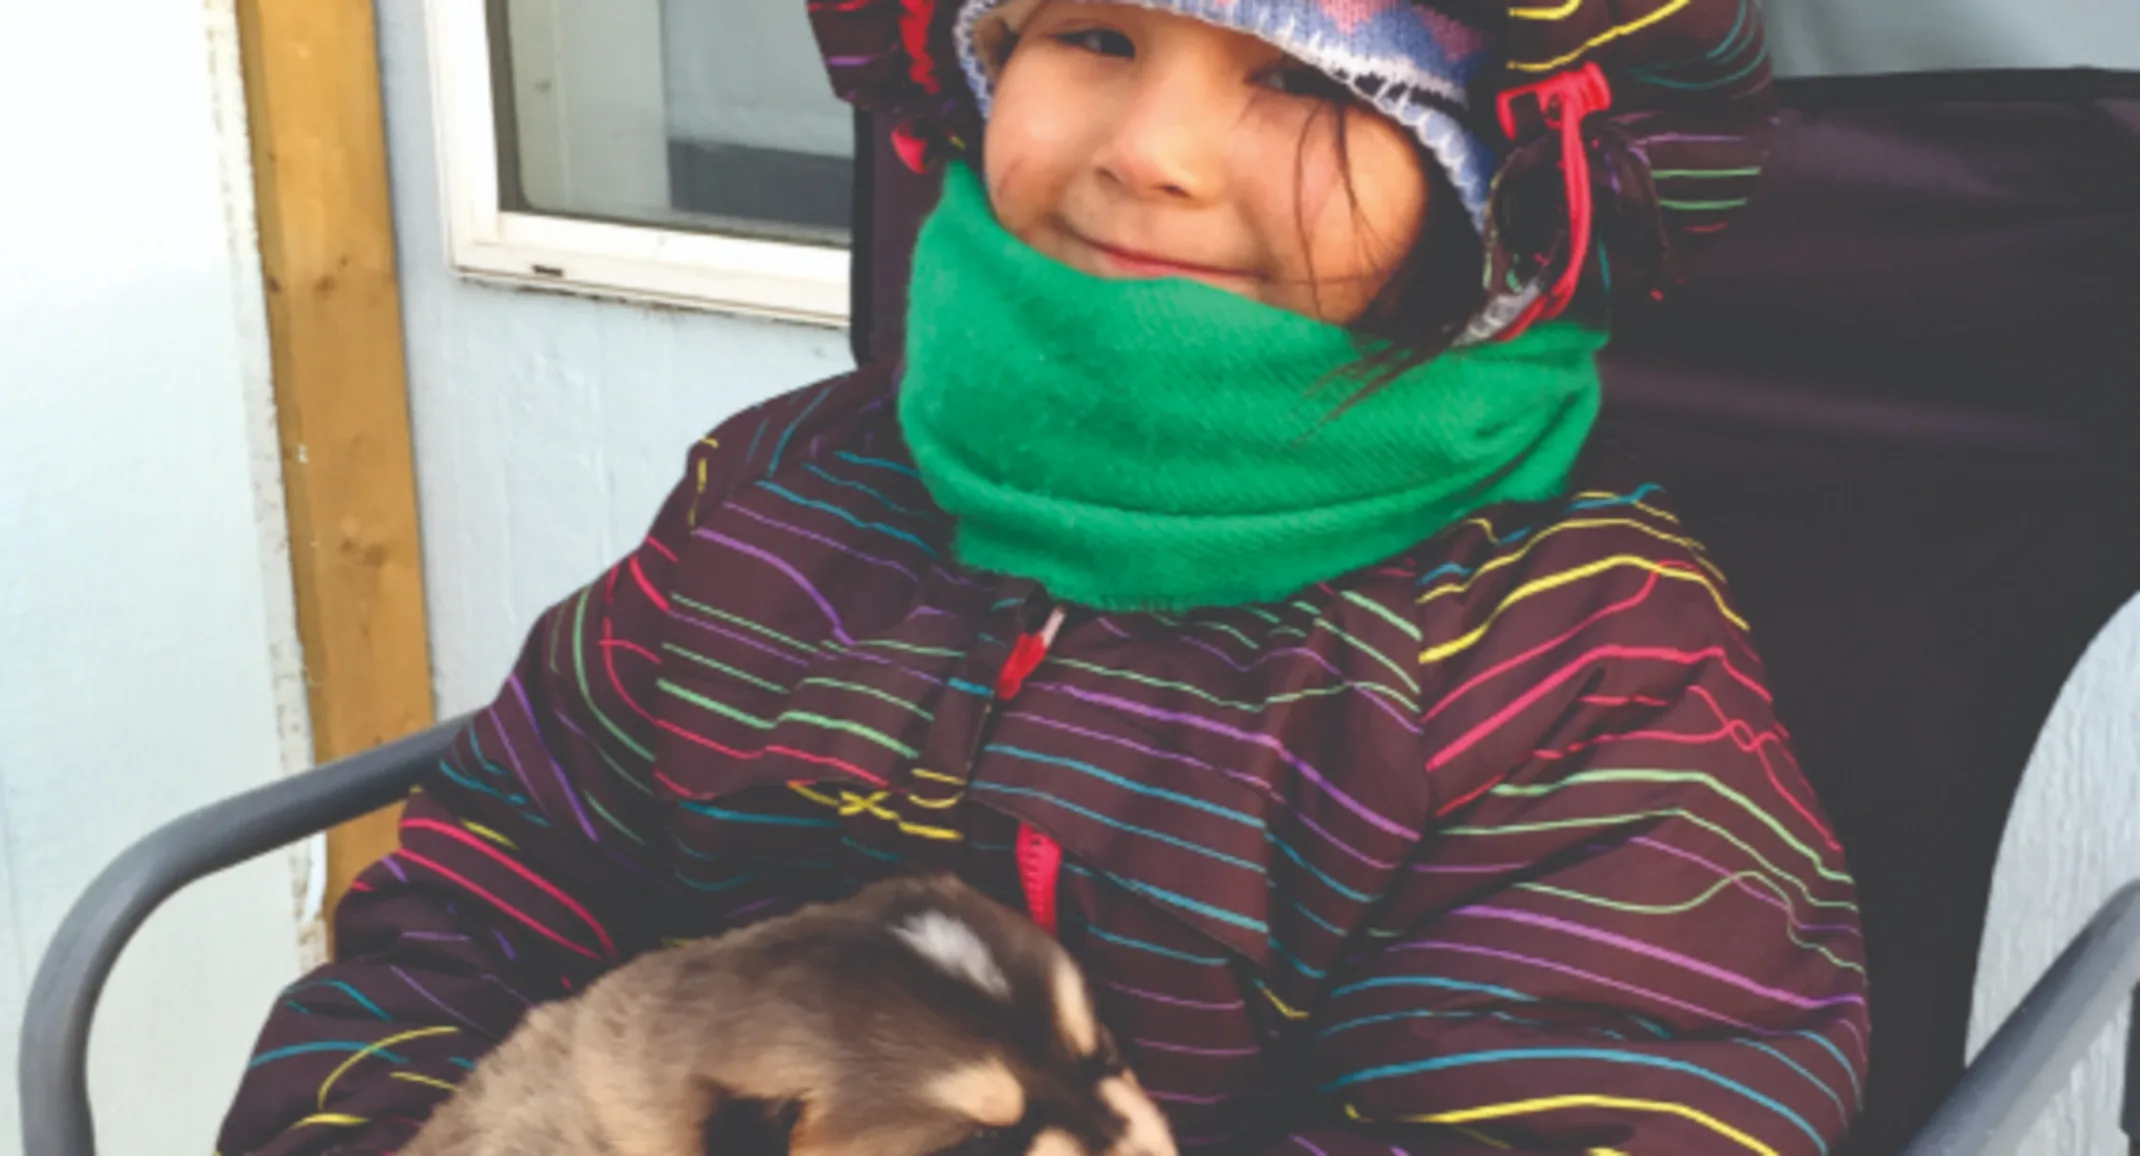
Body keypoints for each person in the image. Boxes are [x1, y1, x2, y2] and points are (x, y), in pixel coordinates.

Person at [219, 0, 1868, 1152]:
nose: (1153, 148)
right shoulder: (782, 495)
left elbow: (1594, 1109)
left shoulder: (1571, 668)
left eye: (1312, 79)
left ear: (1494, 191)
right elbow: (493, 883)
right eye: (1091, 34)